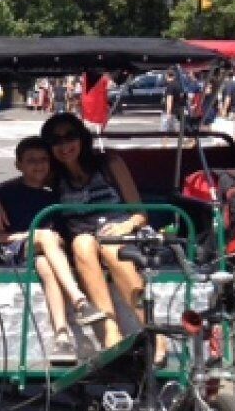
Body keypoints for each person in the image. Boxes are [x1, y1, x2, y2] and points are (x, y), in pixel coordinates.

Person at [0, 137, 105, 362]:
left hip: (43, 253)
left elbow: (60, 237)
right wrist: (31, 235)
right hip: (8, 249)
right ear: (19, 165)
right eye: (31, 160)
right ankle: (79, 299)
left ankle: (61, 336)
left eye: (43, 160)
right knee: (45, 236)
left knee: (46, 265)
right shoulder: (6, 195)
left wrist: (46, 239)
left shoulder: (53, 197)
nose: (39, 165)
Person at [40, 114, 152, 350]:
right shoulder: (54, 176)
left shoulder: (108, 163)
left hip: (120, 232)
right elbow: (20, 182)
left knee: (112, 250)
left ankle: (153, 334)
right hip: (84, 240)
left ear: (82, 137)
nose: (64, 145)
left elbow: (140, 213)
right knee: (81, 243)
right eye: (56, 140)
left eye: (70, 136)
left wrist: (126, 225)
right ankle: (110, 334)